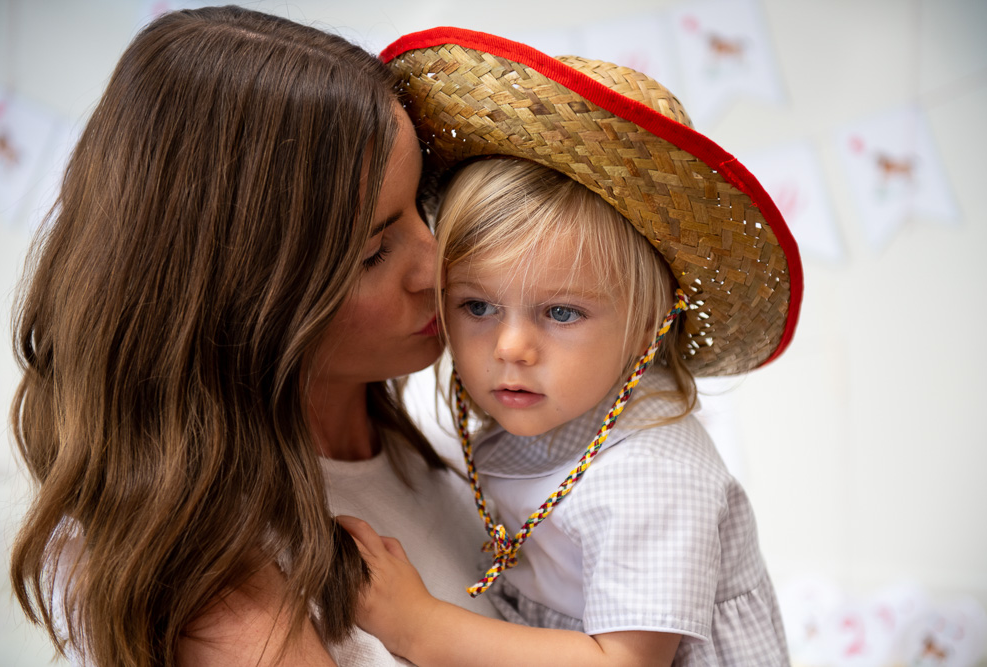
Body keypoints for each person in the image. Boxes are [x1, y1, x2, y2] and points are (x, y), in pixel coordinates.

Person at [8, 9, 498, 667]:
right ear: (237, 298)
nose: (436, 263)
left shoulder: (436, 446)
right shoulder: (213, 574)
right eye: (374, 252)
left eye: (424, 207)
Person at [340, 28, 803, 665]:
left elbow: (621, 660)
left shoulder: (653, 472)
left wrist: (418, 625)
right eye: (476, 306)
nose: (511, 347)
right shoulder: (520, 418)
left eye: (560, 312)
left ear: (647, 323)